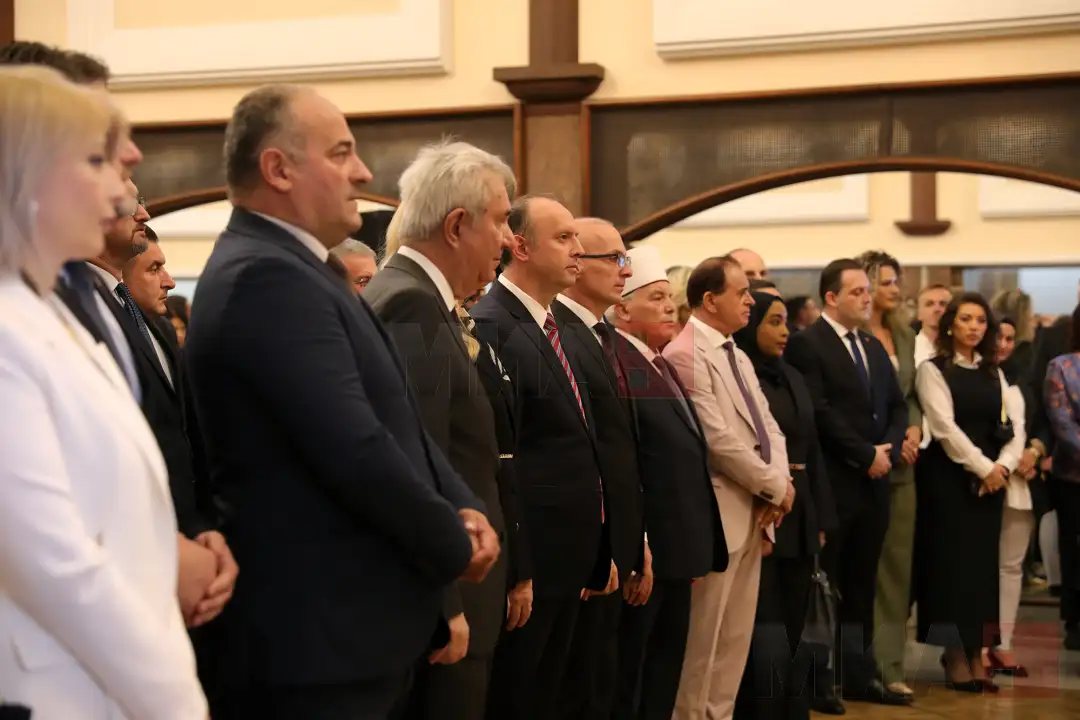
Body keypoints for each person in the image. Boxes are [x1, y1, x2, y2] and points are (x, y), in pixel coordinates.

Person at [182, 84, 499, 719]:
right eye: (341, 153)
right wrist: (451, 539)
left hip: (343, 629)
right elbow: (350, 442)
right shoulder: (264, 275)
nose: (363, 172)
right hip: (311, 635)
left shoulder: (302, 268)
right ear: (279, 169)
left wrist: (461, 502)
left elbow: (397, 417)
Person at [0, 65, 207, 719]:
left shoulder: (54, 311)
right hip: (55, 687)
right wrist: (174, 696)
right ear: (29, 177)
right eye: (95, 160)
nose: (122, 187)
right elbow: (52, 559)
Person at [363, 139, 518, 720]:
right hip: (445, 594)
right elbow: (417, 461)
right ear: (456, 226)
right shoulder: (410, 304)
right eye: (500, 221)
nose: (509, 239)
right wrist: (445, 603)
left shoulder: (418, 296)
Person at [471, 194, 610, 720]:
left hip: (571, 552)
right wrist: (520, 568)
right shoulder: (490, 323)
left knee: (555, 698)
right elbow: (504, 456)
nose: (579, 249)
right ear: (521, 247)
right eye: (564, 237)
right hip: (533, 556)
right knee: (518, 699)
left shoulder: (560, 326)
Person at [664, 256, 795, 720]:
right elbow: (716, 440)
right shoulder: (684, 353)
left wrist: (778, 484)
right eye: (741, 293)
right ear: (709, 299)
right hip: (718, 512)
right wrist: (774, 486)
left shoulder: (735, 352)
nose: (750, 301)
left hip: (753, 508)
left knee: (734, 642)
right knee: (703, 642)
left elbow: (769, 428)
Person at [607, 245, 727, 720]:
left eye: (668, 298)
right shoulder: (618, 362)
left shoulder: (657, 361)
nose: (669, 307)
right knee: (633, 678)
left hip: (678, 550)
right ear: (622, 310)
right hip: (650, 553)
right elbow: (631, 465)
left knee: (664, 673)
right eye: (655, 298)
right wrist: (641, 546)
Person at [783, 259, 910, 708]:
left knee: (862, 583)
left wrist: (888, 449)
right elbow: (819, 411)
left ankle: (859, 674)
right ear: (831, 297)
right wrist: (864, 454)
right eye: (857, 292)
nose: (867, 298)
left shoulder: (871, 344)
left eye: (867, 291)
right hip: (836, 480)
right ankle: (819, 681)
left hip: (874, 482)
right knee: (825, 584)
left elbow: (897, 406)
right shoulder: (808, 344)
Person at [731, 290, 838, 720]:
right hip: (762, 509)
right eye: (773, 322)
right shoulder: (742, 375)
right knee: (764, 625)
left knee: (794, 622)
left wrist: (820, 516)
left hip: (799, 505)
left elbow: (812, 448)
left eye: (786, 322)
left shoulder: (791, 374)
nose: (785, 331)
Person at [553, 218, 644, 719]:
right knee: (577, 690)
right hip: (584, 545)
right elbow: (581, 453)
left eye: (624, 258)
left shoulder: (601, 333)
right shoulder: (559, 333)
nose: (625, 271)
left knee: (604, 685)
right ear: (576, 264)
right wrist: (604, 543)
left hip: (616, 542)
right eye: (613, 259)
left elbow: (621, 448)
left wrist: (635, 537)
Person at [914, 292, 1024, 692]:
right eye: (965, 319)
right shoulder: (933, 369)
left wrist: (1004, 467)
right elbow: (944, 428)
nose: (974, 327)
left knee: (981, 571)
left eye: (980, 320)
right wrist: (983, 468)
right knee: (951, 568)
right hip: (950, 480)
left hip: (990, 484)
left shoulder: (994, 371)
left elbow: (1014, 425)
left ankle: (979, 651)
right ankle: (955, 653)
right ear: (950, 325)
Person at [856, 250, 921, 699]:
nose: (895, 290)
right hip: (864, 460)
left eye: (897, 281)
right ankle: (858, 665)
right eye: (886, 282)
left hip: (903, 464)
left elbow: (910, 395)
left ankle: (891, 663)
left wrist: (914, 429)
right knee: (862, 568)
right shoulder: (851, 335)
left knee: (898, 567)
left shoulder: (904, 335)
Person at [990, 317, 1039, 677]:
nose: (1004, 345)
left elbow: (1043, 423)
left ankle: (1003, 645)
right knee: (980, 565)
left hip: (1021, 482)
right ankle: (977, 646)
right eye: (998, 337)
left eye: (1009, 338)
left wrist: (1035, 450)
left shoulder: (1025, 377)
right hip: (984, 475)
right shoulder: (970, 374)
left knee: (1011, 568)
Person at [1044, 304, 1080, 650]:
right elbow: (1063, 423)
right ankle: (1075, 620)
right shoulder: (1062, 366)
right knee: (1075, 549)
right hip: (1074, 477)